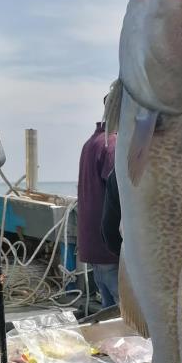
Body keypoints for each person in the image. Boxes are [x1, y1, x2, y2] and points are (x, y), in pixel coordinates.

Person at [76, 112, 119, 306]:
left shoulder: (91, 143)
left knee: (108, 315)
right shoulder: (112, 145)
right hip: (109, 251)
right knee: (128, 318)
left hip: (93, 248)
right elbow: (120, 195)